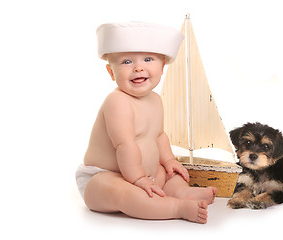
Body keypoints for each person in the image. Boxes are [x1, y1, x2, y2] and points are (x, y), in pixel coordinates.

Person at [76, 22, 217, 224]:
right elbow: (124, 144)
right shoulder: (117, 102)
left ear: (161, 66)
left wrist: (169, 161)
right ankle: (176, 207)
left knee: (168, 175)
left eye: (148, 59)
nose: (138, 67)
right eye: (126, 62)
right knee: (123, 192)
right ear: (111, 72)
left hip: (145, 174)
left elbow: (158, 135)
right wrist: (138, 179)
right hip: (105, 179)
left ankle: (183, 193)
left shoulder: (156, 100)